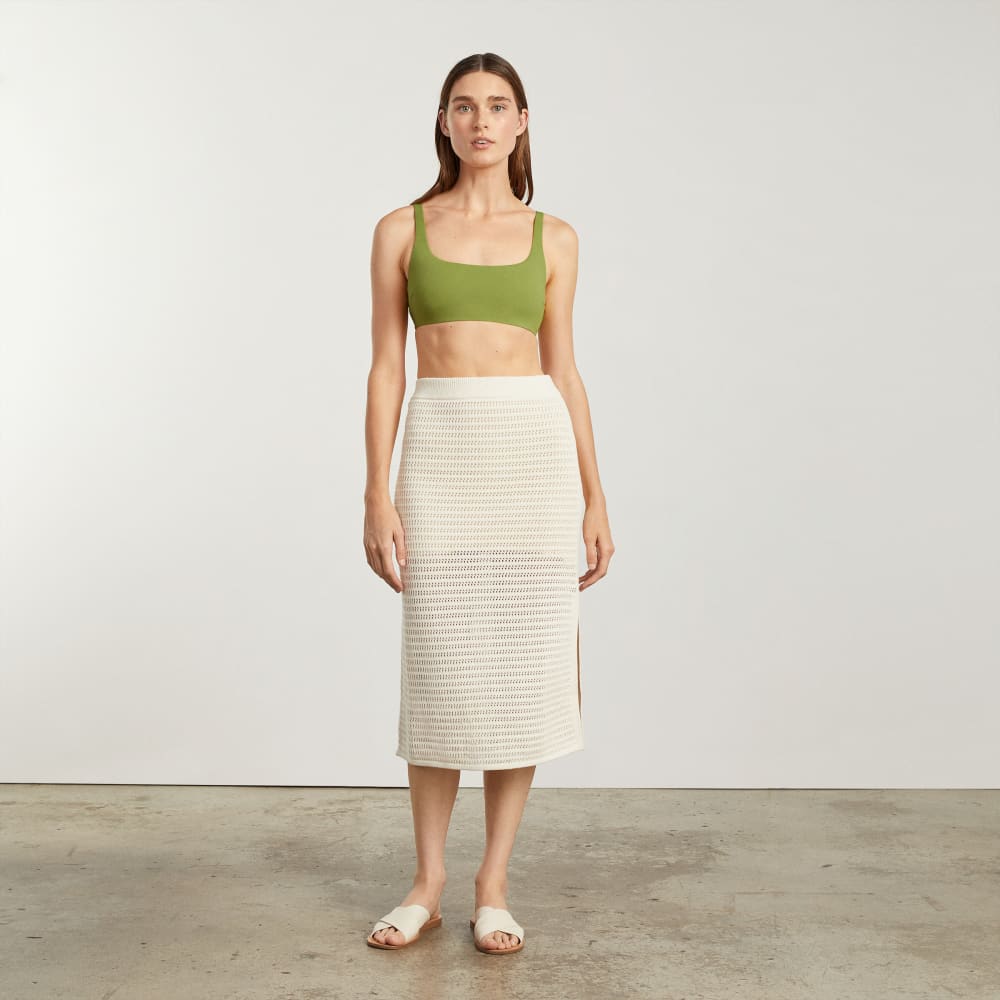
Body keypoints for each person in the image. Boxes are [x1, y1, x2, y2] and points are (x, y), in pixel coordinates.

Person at [362, 52, 614, 955]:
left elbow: (566, 371)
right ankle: (427, 883)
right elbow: (387, 369)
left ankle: (492, 884)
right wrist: (377, 490)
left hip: (531, 461)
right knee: (439, 670)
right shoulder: (401, 229)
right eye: (464, 106)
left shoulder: (556, 238)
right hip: (441, 452)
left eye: (497, 106)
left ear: (521, 122)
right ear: (444, 121)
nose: (480, 121)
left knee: (523, 674)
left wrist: (594, 496)